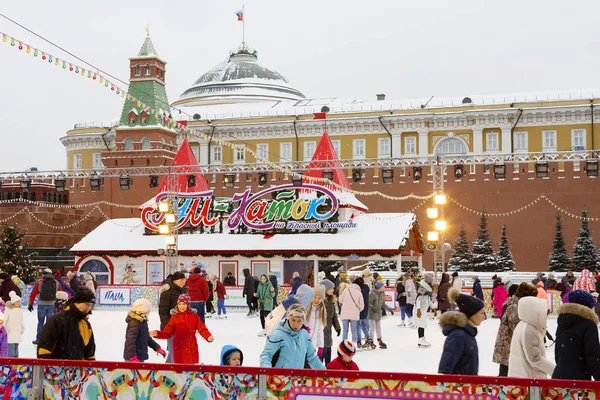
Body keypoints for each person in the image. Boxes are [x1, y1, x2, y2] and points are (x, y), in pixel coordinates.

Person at [151, 294, 213, 364]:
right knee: (179, 371)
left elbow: (202, 328)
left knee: (191, 370)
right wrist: (157, 334)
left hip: (191, 347)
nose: (181, 306)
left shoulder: (194, 316)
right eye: (179, 304)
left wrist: (208, 336)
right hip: (179, 348)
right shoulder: (175, 317)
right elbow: (167, 332)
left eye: (184, 304)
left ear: (188, 304)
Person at [37, 287, 96, 360]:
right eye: (87, 304)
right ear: (77, 303)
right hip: (56, 369)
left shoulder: (86, 324)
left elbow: (90, 352)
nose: (89, 308)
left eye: (91, 305)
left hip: (78, 369)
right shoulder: (57, 320)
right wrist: (48, 367)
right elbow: (44, 348)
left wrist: (91, 366)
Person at [553, 290, 600, 380]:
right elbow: (593, 357)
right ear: (587, 307)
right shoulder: (588, 325)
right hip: (579, 380)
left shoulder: (562, 322)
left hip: (559, 377)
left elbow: (558, 354)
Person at [493, 282, 538, 376]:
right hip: (508, 348)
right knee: (506, 377)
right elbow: (518, 329)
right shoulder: (515, 307)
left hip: (510, 347)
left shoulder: (516, 304)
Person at [260, 304, 325, 369]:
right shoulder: (278, 335)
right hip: (280, 377)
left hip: (297, 377)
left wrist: (325, 373)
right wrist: (268, 371)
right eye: (293, 320)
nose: (296, 324)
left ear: (303, 321)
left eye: (299, 321)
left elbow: (312, 358)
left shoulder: (305, 335)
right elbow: (266, 355)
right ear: (288, 318)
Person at [438, 288, 486, 375]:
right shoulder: (458, 336)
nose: (484, 317)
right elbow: (445, 369)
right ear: (471, 314)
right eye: (482, 313)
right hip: (458, 387)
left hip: (466, 386)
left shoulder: (467, 333)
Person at [508, 297, 556, 378]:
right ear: (534, 312)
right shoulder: (529, 330)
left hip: (522, 378)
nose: (545, 315)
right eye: (543, 312)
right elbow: (535, 359)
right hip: (529, 381)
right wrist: (555, 371)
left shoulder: (524, 325)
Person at [158, 271, 187, 363]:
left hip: (181, 326)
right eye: (181, 280)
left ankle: (166, 370)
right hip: (171, 326)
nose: (183, 282)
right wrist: (168, 326)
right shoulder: (167, 292)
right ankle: (175, 371)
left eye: (184, 280)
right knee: (175, 350)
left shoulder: (183, 290)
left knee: (174, 351)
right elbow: (163, 312)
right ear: (175, 280)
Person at [28, 268, 60, 345]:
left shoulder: (40, 282)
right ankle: (49, 340)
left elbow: (33, 293)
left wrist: (30, 304)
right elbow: (59, 294)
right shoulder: (56, 283)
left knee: (40, 323)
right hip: (51, 304)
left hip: (41, 304)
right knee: (50, 323)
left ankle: (39, 339)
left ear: (44, 274)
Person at [319, 279, 340, 365]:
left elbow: (334, 316)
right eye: (331, 288)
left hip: (328, 331)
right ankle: (318, 371)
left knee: (328, 352)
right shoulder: (320, 302)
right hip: (321, 331)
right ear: (325, 289)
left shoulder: (331, 301)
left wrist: (337, 327)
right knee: (322, 352)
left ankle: (328, 370)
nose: (333, 290)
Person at [368, 281, 394, 349]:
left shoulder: (381, 294)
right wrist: (373, 309)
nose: (384, 288)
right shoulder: (372, 294)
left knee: (378, 327)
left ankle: (379, 340)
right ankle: (371, 340)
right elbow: (369, 303)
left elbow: (383, 304)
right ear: (379, 287)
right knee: (372, 327)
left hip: (378, 313)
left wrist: (389, 309)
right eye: (383, 287)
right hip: (372, 313)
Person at [338, 276, 364, 343]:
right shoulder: (359, 293)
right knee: (354, 330)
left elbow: (340, 300)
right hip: (354, 315)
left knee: (345, 330)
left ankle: (344, 344)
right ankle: (354, 344)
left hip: (345, 314)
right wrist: (357, 310)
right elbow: (362, 306)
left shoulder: (346, 290)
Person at [306, 284, 327, 358]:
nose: (316, 300)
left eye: (319, 298)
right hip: (302, 344)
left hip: (312, 346)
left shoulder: (322, 311)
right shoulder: (306, 307)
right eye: (315, 297)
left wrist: (321, 346)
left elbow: (320, 330)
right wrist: (303, 328)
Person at [415, 274, 434, 348]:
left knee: (423, 325)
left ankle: (422, 338)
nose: (433, 283)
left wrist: (434, 308)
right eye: (431, 281)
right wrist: (418, 310)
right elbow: (418, 300)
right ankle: (420, 339)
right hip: (420, 311)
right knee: (421, 325)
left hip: (423, 310)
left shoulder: (427, 292)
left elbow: (429, 301)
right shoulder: (422, 290)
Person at [5, 290, 24, 357]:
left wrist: (22, 327)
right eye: (17, 301)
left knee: (16, 346)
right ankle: (11, 362)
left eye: (19, 301)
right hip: (10, 331)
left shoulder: (20, 310)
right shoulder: (8, 310)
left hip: (17, 331)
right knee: (11, 348)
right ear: (13, 302)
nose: (19, 303)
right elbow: (5, 319)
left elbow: (21, 320)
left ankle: (16, 361)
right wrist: (5, 329)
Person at [355, 277, 370, 349]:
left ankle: (359, 341)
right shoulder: (366, 288)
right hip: (366, 309)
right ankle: (368, 338)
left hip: (359, 309)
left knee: (358, 325)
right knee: (364, 324)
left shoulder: (358, 290)